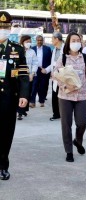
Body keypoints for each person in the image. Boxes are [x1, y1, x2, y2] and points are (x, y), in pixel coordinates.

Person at [54, 32, 86, 162]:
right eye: (73, 40)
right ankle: (69, 151)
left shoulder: (84, 58)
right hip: (65, 96)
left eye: (78, 40)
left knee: (82, 123)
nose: (76, 42)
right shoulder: (63, 58)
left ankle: (78, 141)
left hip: (81, 96)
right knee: (66, 124)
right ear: (68, 42)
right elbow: (55, 74)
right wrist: (66, 87)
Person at [0, 11, 29, 180]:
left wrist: (24, 94)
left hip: (9, 99)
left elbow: (24, 75)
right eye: (0, 27)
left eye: (6, 27)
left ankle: (3, 165)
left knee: (5, 133)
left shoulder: (17, 50)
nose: (3, 30)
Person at [17, 35, 38, 120]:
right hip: (19, 76)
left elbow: (35, 63)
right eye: (27, 41)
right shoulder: (18, 50)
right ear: (22, 42)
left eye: (29, 41)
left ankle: (23, 110)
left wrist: (32, 73)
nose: (28, 43)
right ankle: (20, 112)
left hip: (29, 75)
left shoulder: (32, 52)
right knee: (20, 93)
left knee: (27, 93)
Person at [45, 32, 64, 121]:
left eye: (52, 39)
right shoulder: (55, 49)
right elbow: (53, 63)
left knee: (62, 96)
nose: (51, 41)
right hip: (54, 77)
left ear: (57, 39)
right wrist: (47, 70)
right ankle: (56, 114)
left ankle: (63, 113)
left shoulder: (65, 49)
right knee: (54, 95)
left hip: (62, 76)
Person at [30, 35, 52, 107]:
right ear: (36, 41)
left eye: (41, 40)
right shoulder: (32, 49)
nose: (39, 41)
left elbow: (50, 60)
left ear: (43, 41)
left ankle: (41, 101)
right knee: (34, 85)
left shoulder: (47, 49)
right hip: (35, 70)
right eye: (38, 40)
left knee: (43, 86)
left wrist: (48, 70)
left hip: (44, 70)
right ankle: (32, 101)